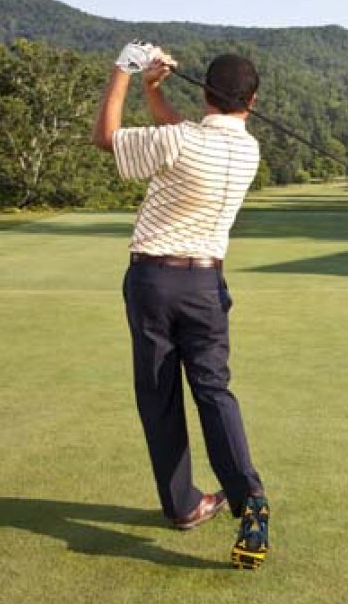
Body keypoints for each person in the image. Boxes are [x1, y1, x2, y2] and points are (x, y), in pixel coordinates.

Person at [92, 43, 269, 570]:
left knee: (159, 396)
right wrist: (154, 91)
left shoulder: (181, 141)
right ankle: (250, 499)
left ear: (205, 93)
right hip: (206, 285)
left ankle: (184, 504)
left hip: (152, 281)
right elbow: (183, 135)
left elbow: (106, 137)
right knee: (214, 392)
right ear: (251, 101)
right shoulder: (247, 150)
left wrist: (124, 72)